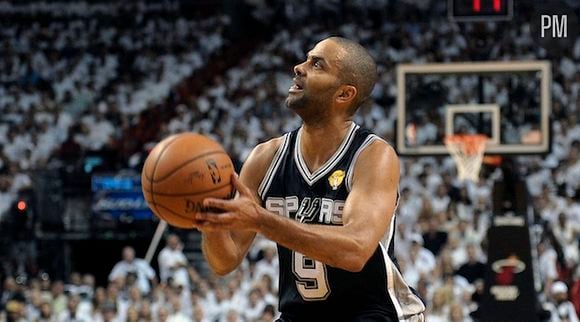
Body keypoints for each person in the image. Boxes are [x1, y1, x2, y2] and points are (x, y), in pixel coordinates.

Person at [194, 37, 425, 321]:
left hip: (373, 313)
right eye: (306, 59)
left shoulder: (372, 156)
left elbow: (356, 251)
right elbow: (224, 262)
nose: (298, 67)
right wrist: (209, 219)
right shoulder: (265, 158)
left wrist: (260, 219)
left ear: (344, 94)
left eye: (317, 64)